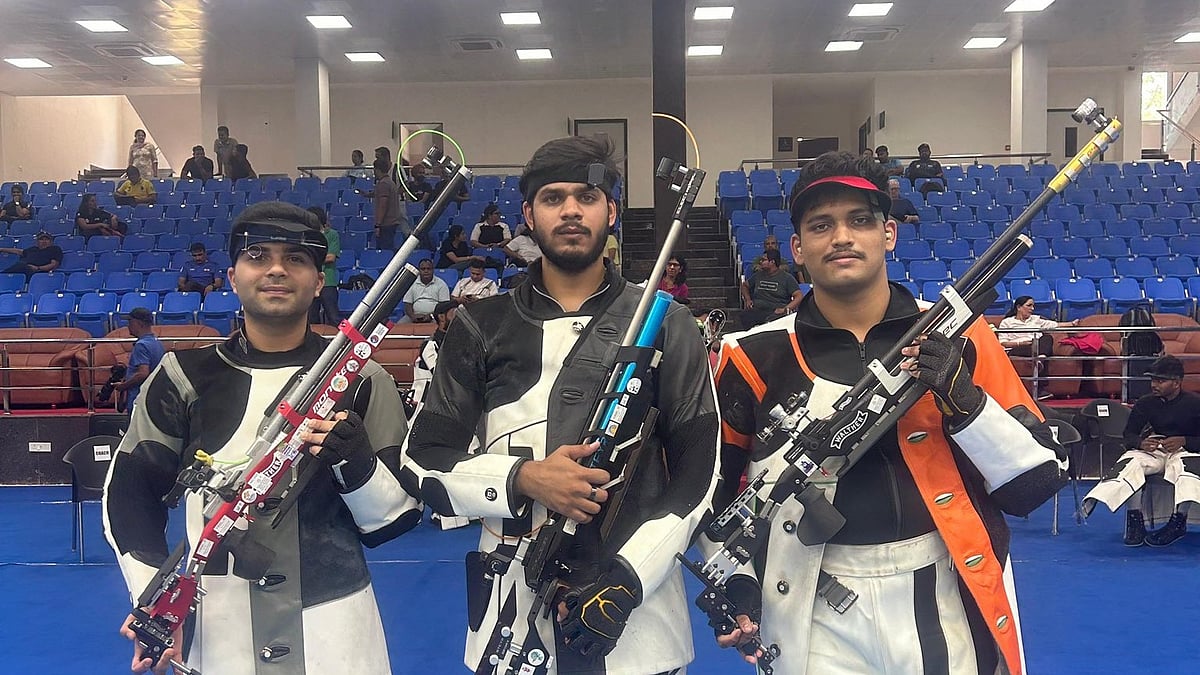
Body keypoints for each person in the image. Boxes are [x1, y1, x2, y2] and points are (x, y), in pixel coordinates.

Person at [711, 150, 1066, 675]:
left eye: (860, 220)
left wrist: (962, 400)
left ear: (889, 234)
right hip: (808, 597)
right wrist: (736, 583)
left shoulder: (962, 336)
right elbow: (712, 491)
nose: (842, 237)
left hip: (940, 583)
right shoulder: (750, 354)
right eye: (821, 225)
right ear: (798, 249)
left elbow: (1034, 485)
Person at [404, 134, 719, 675]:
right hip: (510, 605)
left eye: (586, 197)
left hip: (634, 609)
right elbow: (422, 457)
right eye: (553, 198)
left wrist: (629, 577)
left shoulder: (667, 322)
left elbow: (700, 471)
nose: (571, 210)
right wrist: (524, 478)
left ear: (612, 211)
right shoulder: (481, 324)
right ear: (528, 214)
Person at [103, 201, 422, 674]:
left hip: (335, 629)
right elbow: (129, 494)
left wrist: (357, 465)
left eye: (296, 258)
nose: (276, 269)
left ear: (318, 281)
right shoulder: (181, 377)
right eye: (258, 255)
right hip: (216, 628)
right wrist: (161, 602)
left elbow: (392, 523)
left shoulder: (364, 379)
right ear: (233, 277)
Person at [1083, 355, 1200, 547]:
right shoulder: (1146, 403)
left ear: (1177, 382)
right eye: (1153, 380)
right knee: (1131, 462)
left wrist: (1185, 440)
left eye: (1160, 381)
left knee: (1186, 467)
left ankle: (1178, 522)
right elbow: (1128, 434)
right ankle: (1135, 521)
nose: (1154, 384)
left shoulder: (1195, 403)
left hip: (1187, 450)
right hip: (1157, 449)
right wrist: (1140, 443)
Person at [112, 307, 164, 414]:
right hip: (153, 398)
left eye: (130, 321)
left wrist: (123, 386)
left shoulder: (141, 345)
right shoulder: (157, 343)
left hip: (139, 399)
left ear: (139, 323)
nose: (128, 326)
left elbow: (142, 373)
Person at [740, 248, 802, 329]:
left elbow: (799, 296)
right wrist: (748, 299)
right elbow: (744, 286)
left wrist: (785, 309)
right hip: (757, 309)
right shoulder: (758, 275)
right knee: (744, 316)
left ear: (772, 262)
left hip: (776, 312)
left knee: (773, 321)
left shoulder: (787, 278)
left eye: (764, 260)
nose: (760, 262)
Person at [998, 295, 1076, 357]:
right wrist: (1021, 343)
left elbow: (1054, 324)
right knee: (1031, 348)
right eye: (1029, 305)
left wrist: (1072, 323)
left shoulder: (1036, 319)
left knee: (1047, 338)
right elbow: (1003, 342)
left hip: (1036, 346)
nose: (1032, 308)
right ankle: (1040, 358)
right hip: (1018, 348)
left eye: (1033, 306)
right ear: (1019, 307)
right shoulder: (1007, 322)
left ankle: (1040, 359)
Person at [308, 205, 341, 326]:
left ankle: (345, 341)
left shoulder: (332, 234)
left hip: (328, 282)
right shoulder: (307, 236)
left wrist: (311, 259)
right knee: (311, 318)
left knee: (334, 316)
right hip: (310, 282)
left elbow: (331, 257)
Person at [372, 157, 409, 251]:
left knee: (385, 250)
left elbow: (383, 205)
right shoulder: (391, 183)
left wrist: (378, 224)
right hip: (392, 222)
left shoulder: (383, 184)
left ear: (377, 170)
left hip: (386, 224)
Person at [437, 224, 502, 272]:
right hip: (447, 267)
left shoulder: (463, 244)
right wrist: (473, 257)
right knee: (473, 261)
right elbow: (455, 260)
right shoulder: (447, 244)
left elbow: (465, 257)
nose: (465, 235)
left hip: (461, 266)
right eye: (462, 234)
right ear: (456, 236)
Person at [402, 258, 450, 323]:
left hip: (435, 317)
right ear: (419, 270)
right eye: (423, 269)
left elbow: (444, 306)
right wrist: (412, 316)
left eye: (428, 269)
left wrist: (431, 316)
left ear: (433, 270)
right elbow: (408, 304)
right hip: (414, 316)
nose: (426, 271)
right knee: (399, 326)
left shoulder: (441, 284)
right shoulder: (412, 283)